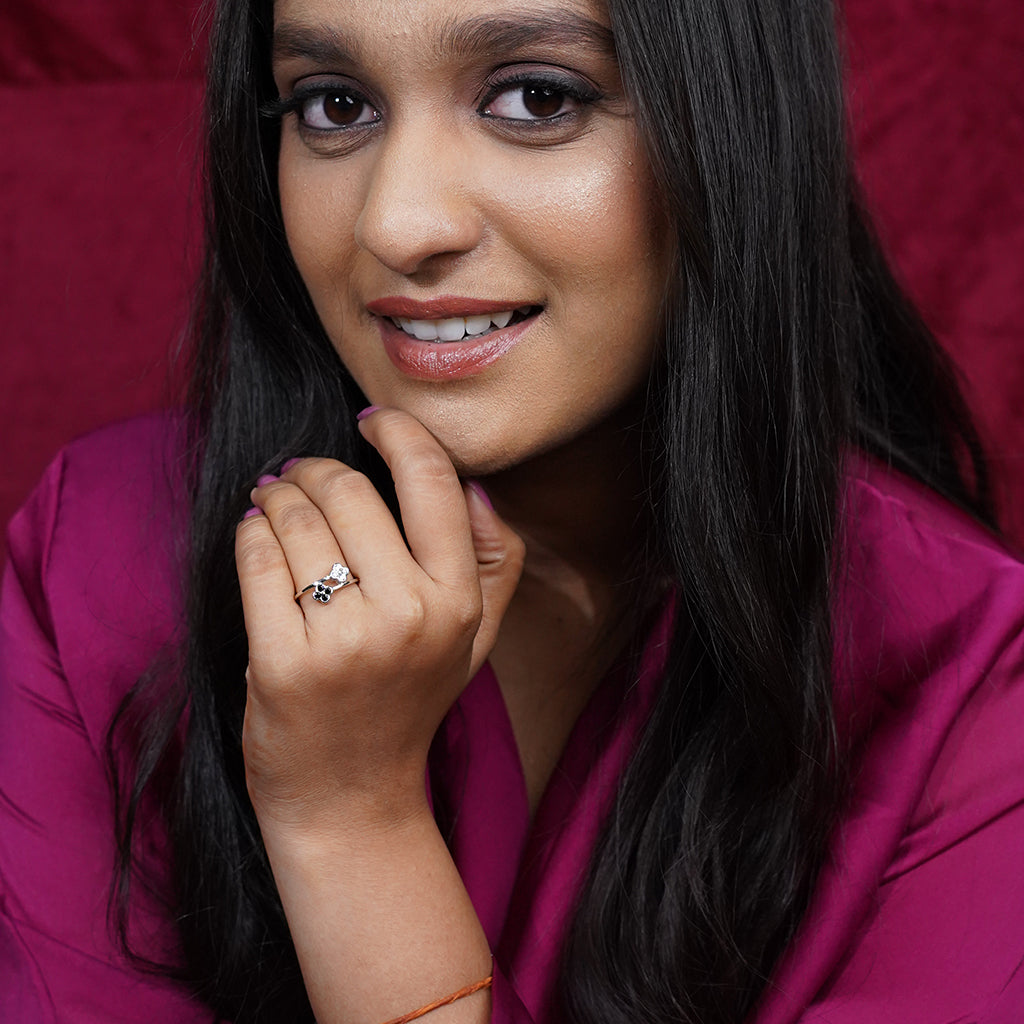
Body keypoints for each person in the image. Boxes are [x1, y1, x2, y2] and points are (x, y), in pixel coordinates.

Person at [2, 0, 1023, 1021]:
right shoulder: (94, 562)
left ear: (732, 128)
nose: (396, 222)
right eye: (333, 104)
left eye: (536, 98)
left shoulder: (966, 678)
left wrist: (351, 827)